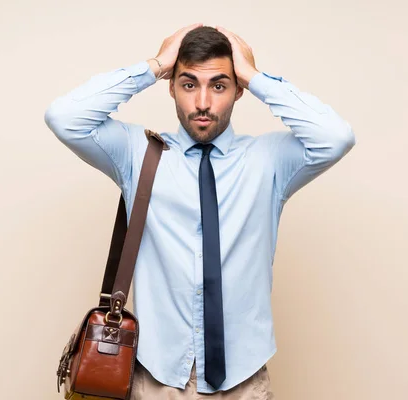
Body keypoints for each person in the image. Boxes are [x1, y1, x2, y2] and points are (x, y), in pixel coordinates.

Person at [44, 23, 356, 399]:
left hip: (244, 380)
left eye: (219, 86)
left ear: (238, 91)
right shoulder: (137, 153)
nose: (203, 102)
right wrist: (155, 65)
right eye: (189, 84)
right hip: (155, 378)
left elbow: (335, 137)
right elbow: (65, 117)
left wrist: (256, 76)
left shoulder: (268, 160)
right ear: (171, 87)